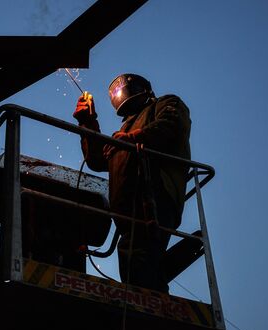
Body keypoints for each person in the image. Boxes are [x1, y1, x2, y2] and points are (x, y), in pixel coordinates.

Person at [73, 73, 191, 292]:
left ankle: (151, 311)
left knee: (141, 261)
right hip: (127, 212)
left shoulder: (165, 104)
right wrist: (87, 122)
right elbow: (98, 159)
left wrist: (135, 138)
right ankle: (149, 303)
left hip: (154, 200)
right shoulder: (123, 131)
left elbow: (172, 127)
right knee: (132, 262)